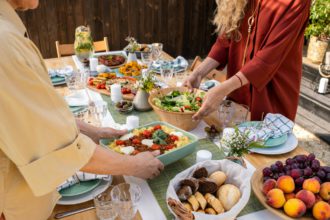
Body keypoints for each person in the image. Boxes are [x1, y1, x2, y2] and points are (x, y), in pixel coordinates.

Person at [0, 1, 163, 219]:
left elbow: (29, 118)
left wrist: (91, 131)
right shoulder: (5, 42)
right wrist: (133, 165)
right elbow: (58, 147)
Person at [184, 0, 311, 121]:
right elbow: (227, 39)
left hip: (271, 96)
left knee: (262, 142)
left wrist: (223, 89)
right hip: (237, 94)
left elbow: (268, 58)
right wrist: (199, 73)